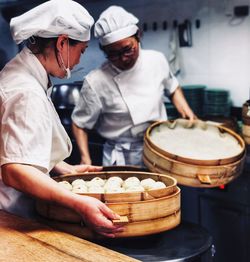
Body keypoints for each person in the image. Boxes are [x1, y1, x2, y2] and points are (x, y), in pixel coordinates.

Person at [0, 0, 123, 238]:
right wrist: (79, 203)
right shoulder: (26, 90)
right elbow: (15, 169)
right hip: (11, 215)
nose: (78, 60)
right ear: (62, 43)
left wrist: (64, 169)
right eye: (82, 50)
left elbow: (15, 144)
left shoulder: (21, 74)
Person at [72, 5, 196, 167]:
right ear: (104, 50)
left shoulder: (156, 60)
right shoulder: (96, 81)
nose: (123, 58)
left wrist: (186, 110)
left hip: (159, 147)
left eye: (127, 49)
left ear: (139, 36)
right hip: (121, 156)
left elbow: (172, 87)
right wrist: (85, 158)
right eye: (113, 54)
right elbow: (79, 124)